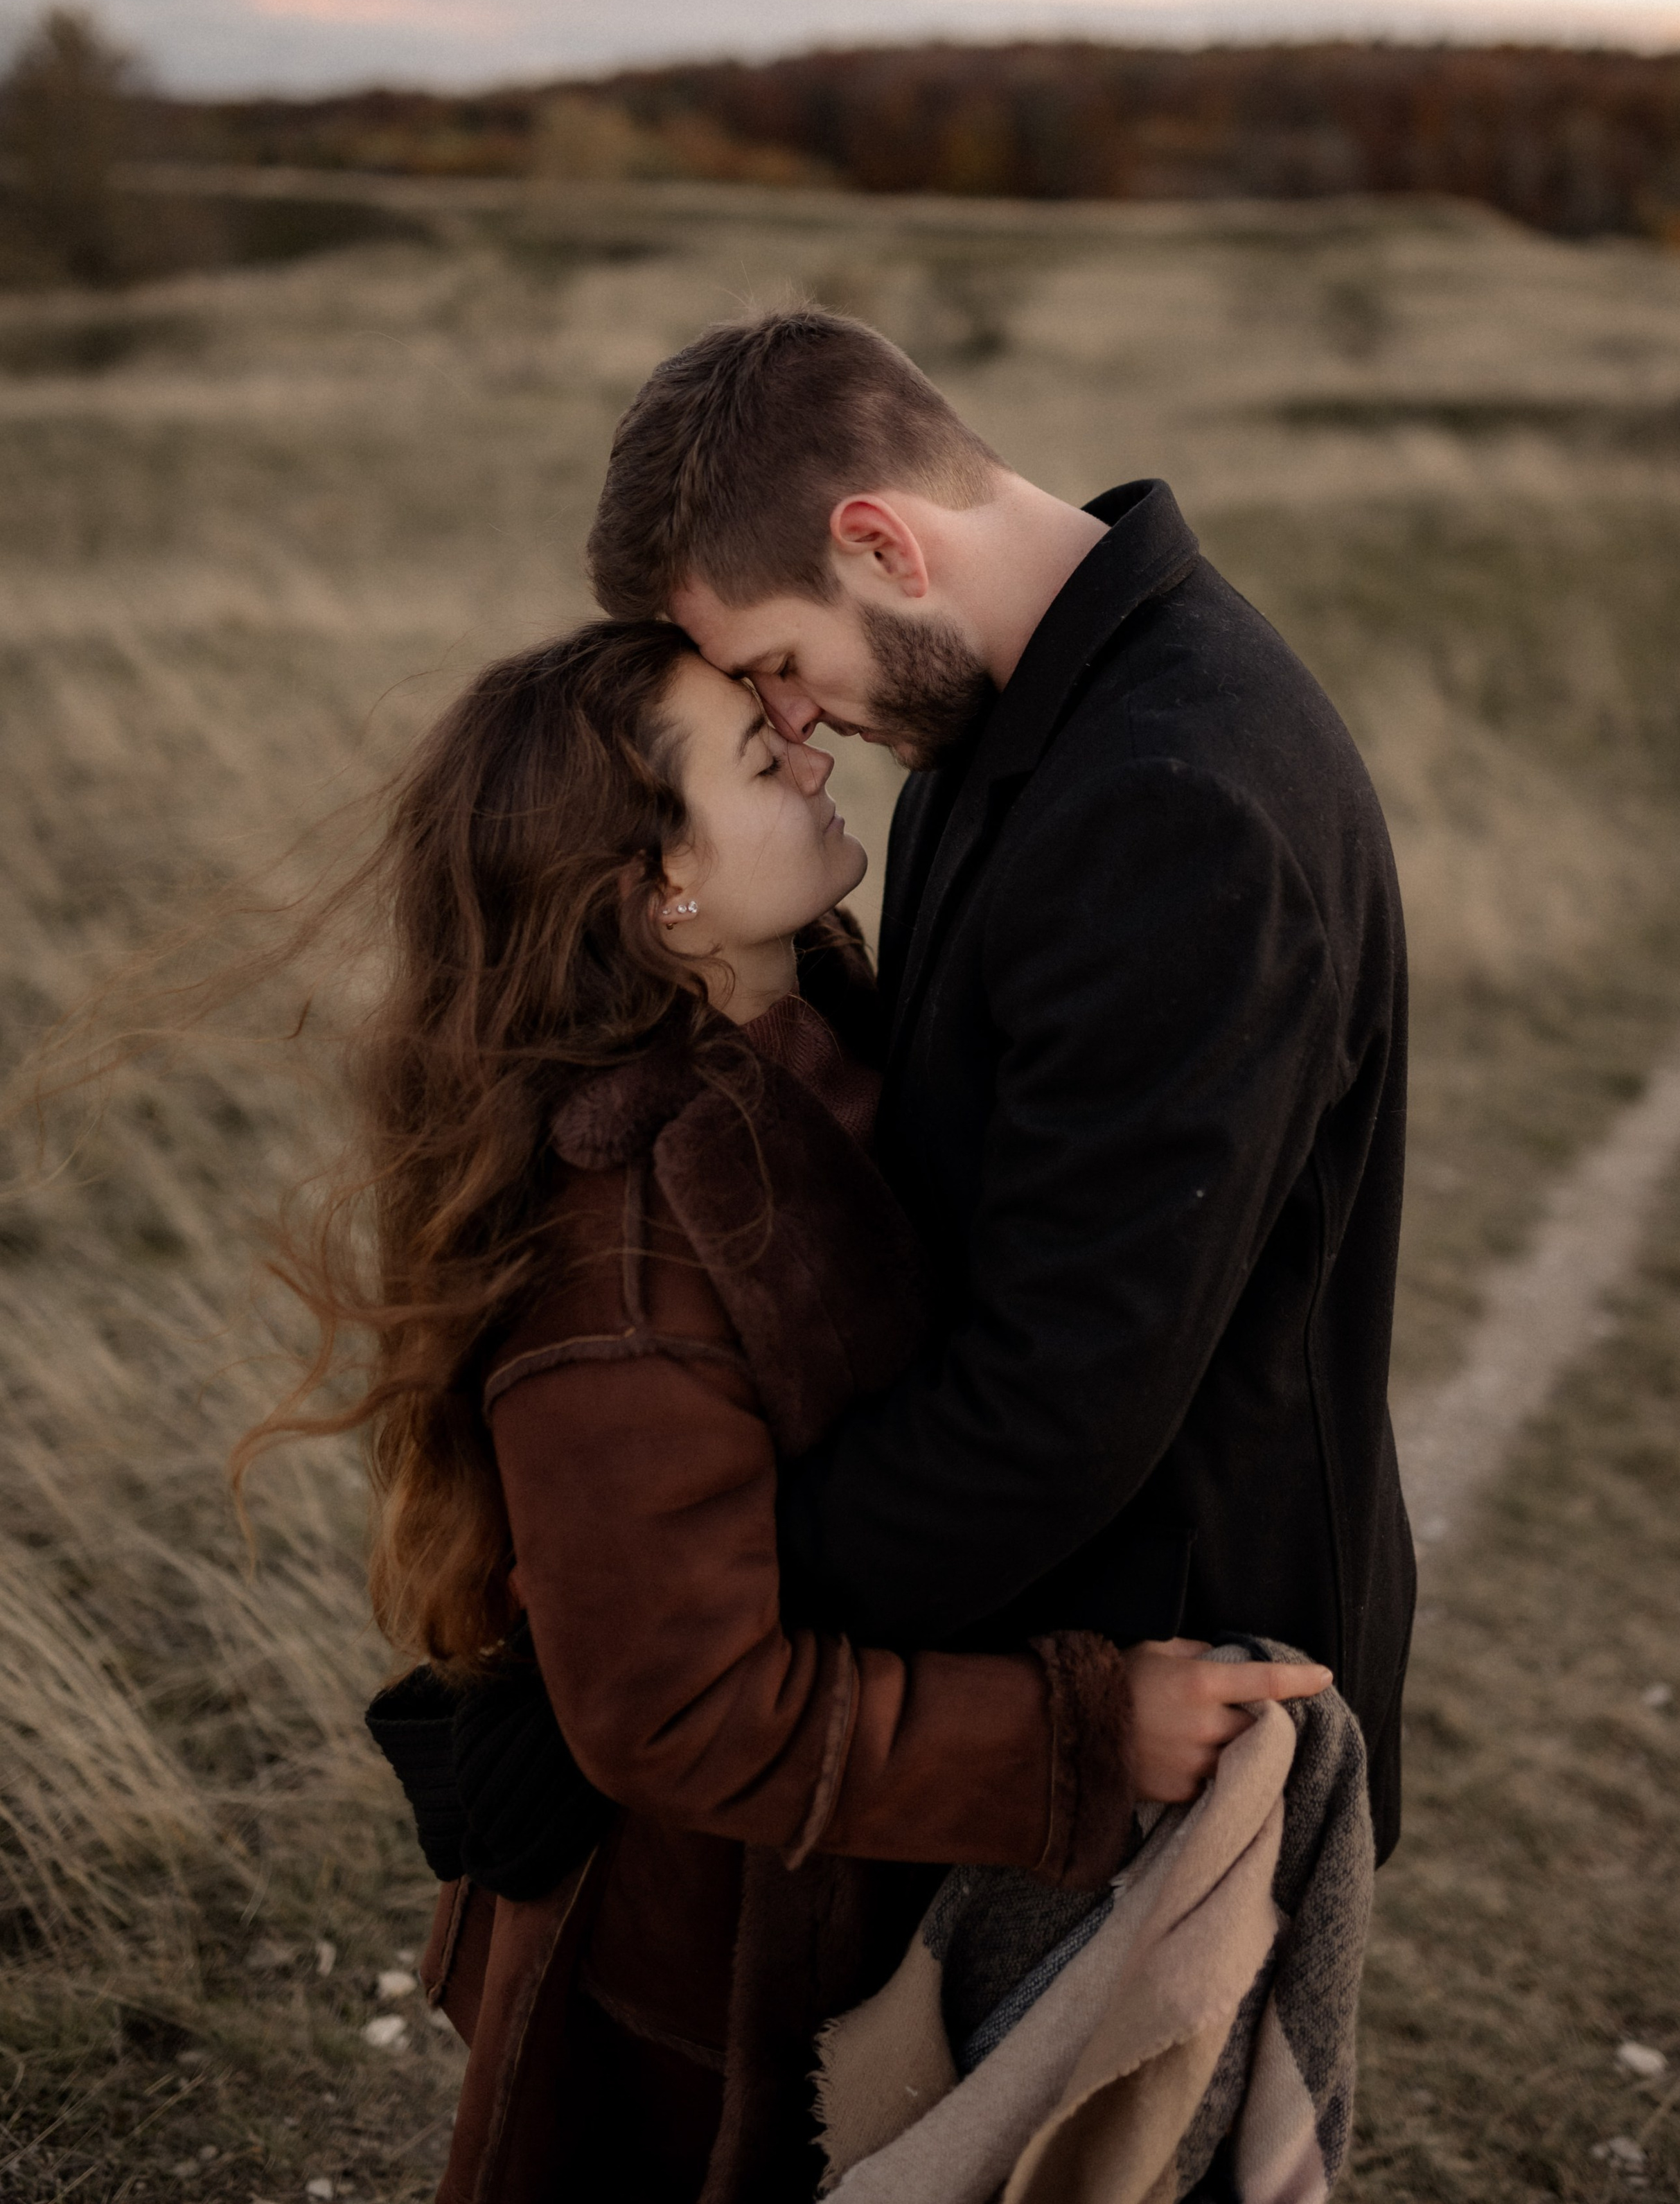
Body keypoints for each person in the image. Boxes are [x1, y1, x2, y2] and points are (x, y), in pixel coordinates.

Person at [245, 619, 1329, 2203]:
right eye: (760, 757)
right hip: (699, 1968)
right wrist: (1082, 1736)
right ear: (657, 886)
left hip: (830, 1910)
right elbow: (676, 1704)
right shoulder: (617, 1242)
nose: (816, 751)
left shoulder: (805, 1025)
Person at [588, 308, 1415, 1858]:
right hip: (1055, 1642)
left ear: (878, 542)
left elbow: (1056, 1401)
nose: (792, 716)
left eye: (779, 659)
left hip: (1183, 1684)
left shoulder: (1173, 801)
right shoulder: (1006, 717)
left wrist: (673, 1608)